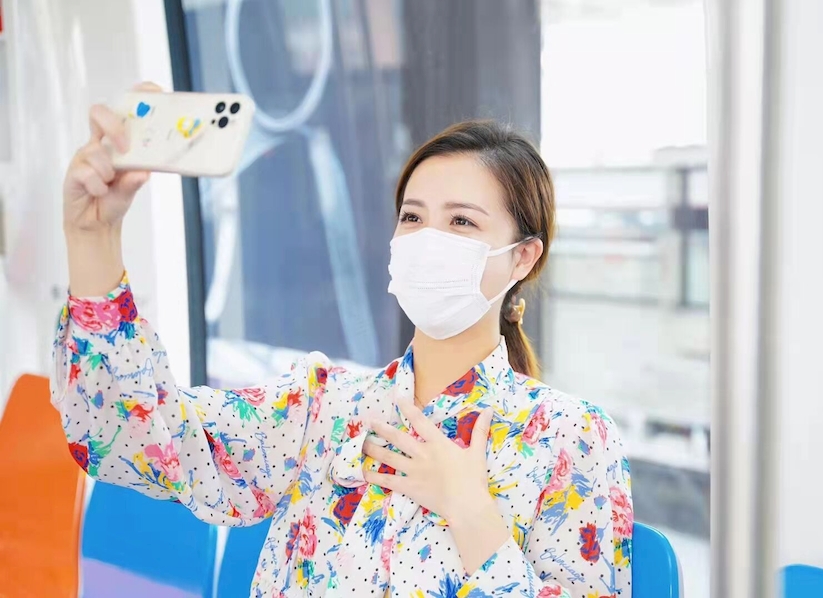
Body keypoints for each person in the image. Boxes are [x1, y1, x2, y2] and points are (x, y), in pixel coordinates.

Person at [54, 83, 633, 598]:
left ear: (522, 258)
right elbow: (134, 435)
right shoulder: (321, 406)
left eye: (461, 222)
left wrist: (472, 514)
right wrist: (92, 236)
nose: (427, 240)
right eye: (412, 218)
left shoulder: (571, 438)